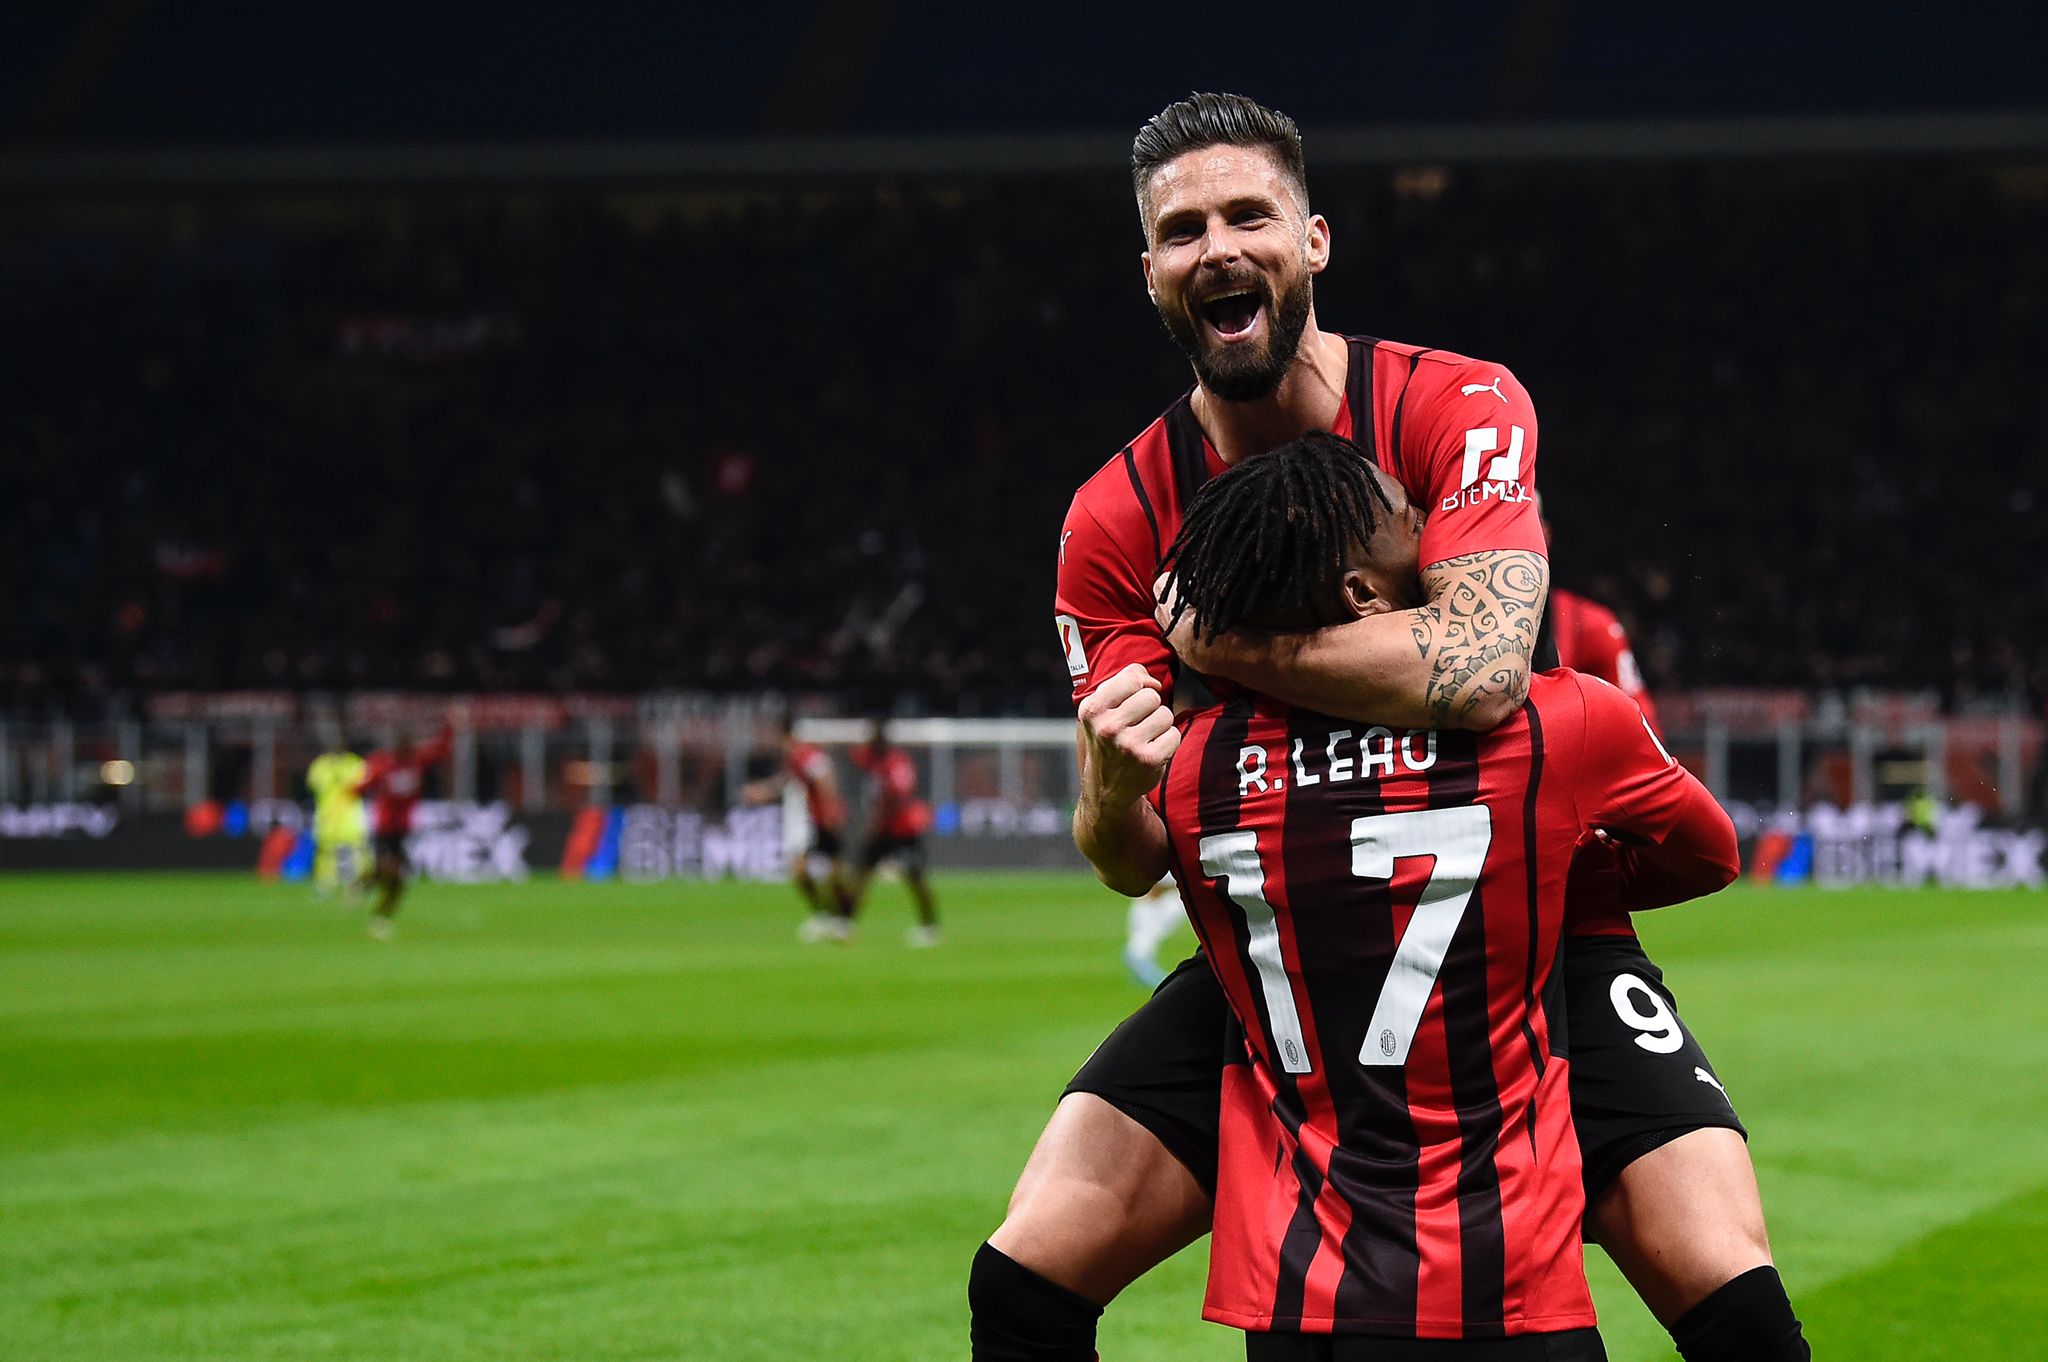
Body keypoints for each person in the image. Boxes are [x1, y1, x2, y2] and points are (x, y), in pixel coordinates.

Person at [971, 93, 1805, 1362]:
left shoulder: (1454, 406)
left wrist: (1221, 647)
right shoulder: (1111, 518)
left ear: (1313, 240)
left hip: (1533, 928)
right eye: (1181, 228)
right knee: (1024, 1277)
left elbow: (1476, 674)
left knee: (1722, 1285)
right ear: (1149, 273)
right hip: (1282, 948)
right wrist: (1100, 792)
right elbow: (1129, 851)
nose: (1218, 247)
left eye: (1248, 214)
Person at [1157, 433, 1741, 1357]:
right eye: (1409, 519)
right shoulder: (1557, 721)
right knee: (1740, 1298)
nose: (1439, 525)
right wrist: (1547, 879)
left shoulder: (1194, 775)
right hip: (1501, 1284)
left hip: (1301, 1296)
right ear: (1363, 593)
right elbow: (1709, 854)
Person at [745, 716, 855, 942]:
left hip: (821, 821)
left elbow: (825, 777)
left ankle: (842, 920)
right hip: (812, 822)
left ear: (786, 736)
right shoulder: (796, 758)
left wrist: (830, 808)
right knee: (801, 871)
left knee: (833, 873)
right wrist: (763, 792)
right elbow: (787, 781)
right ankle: (828, 916)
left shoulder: (805, 754)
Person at [845, 718, 942, 947]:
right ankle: (845, 922)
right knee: (861, 874)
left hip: (902, 829)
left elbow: (899, 798)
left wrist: (877, 823)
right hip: (883, 828)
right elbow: (854, 758)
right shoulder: (872, 760)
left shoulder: (898, 763)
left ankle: (930, 926)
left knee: (916, 878)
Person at [355, 724, 453, 940]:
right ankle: (378, 916)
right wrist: (356, 788)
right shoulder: (384, 765)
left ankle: (362, 887)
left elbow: (441, 750)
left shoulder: (416, 762)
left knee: (392, 874)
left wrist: (449, 726)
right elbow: (361, 786)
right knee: (393, 871)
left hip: (403, 827)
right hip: (385, 825)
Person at [305, 735, 369, 900]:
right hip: (328, 813)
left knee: (357, 849)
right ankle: (326, 882)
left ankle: (360, 882)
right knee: (325, 850)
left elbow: (363, 784)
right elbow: (314, 784)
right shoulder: (320, 764)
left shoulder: (355, 763)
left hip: (350, 813)